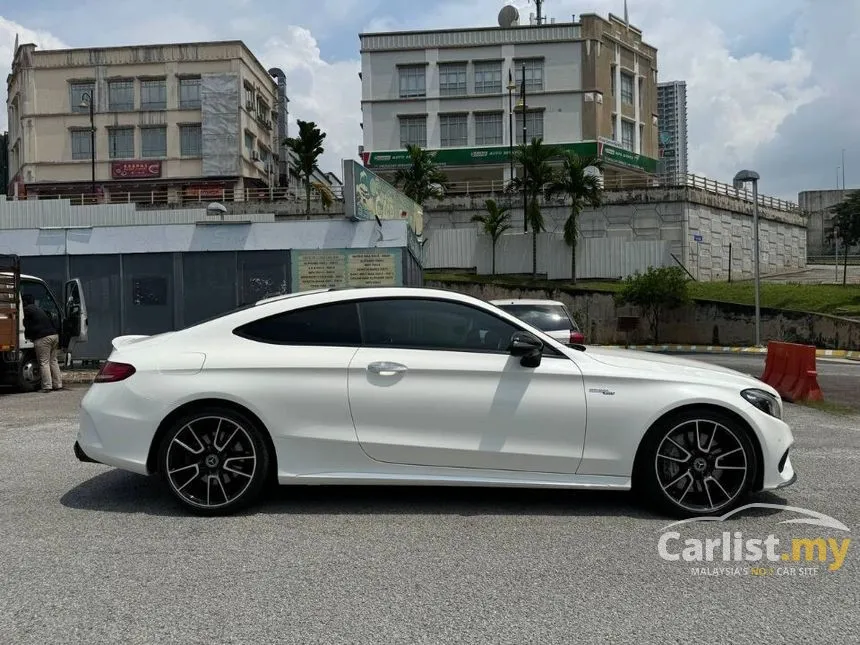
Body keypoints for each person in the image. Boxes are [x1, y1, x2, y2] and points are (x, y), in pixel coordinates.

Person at [22, 293, 63, 392]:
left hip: (43, 338)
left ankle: (47, 386)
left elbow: (24, 321)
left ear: (24, 302)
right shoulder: (38, 309)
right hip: (54, 336)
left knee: (44, 362)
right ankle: (58, 385)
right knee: (53, 361)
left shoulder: (27, 310)